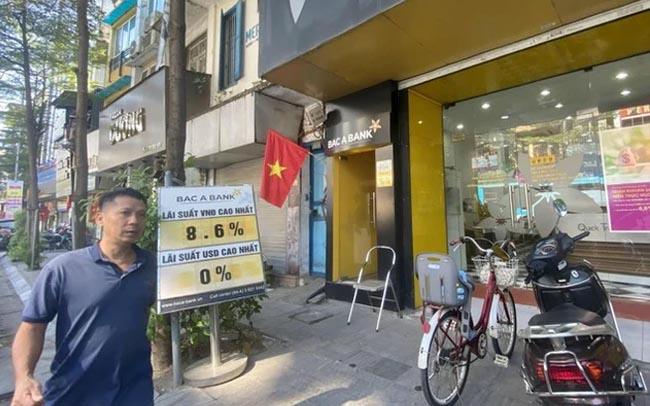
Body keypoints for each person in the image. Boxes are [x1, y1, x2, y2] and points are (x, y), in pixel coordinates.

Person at [11, 188, 156, 406]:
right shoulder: (63, 268)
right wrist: (24, 377)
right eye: (125, 213)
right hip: (73, 391)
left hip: (134, 390)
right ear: (99, 218)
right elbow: (32, 326)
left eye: (141, 214)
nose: (134, 221)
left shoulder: (153, 266)